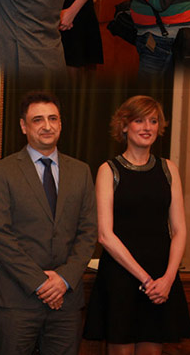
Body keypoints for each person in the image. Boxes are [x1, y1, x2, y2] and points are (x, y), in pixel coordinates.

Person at [0, 91, 97, 355]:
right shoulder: (2, 171)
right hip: (18, 299)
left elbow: (88, 232)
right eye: (38, 120)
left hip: (67, 300)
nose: (47, 126)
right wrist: (41, 282)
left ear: (61, 124)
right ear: (24, 126)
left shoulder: (81, 171)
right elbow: (0, 235)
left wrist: (63, 279)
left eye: (53, 119)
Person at [84, 95, 190, 352]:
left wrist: (166, 279)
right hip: (122, 276)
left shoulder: (169, 169)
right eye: (139, 120)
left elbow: (179, 230)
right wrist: (146, 279)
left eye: (153, 121)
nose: (147, 127)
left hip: (161, 275)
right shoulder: (108, 170)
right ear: (124, 125)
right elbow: (105, 235)